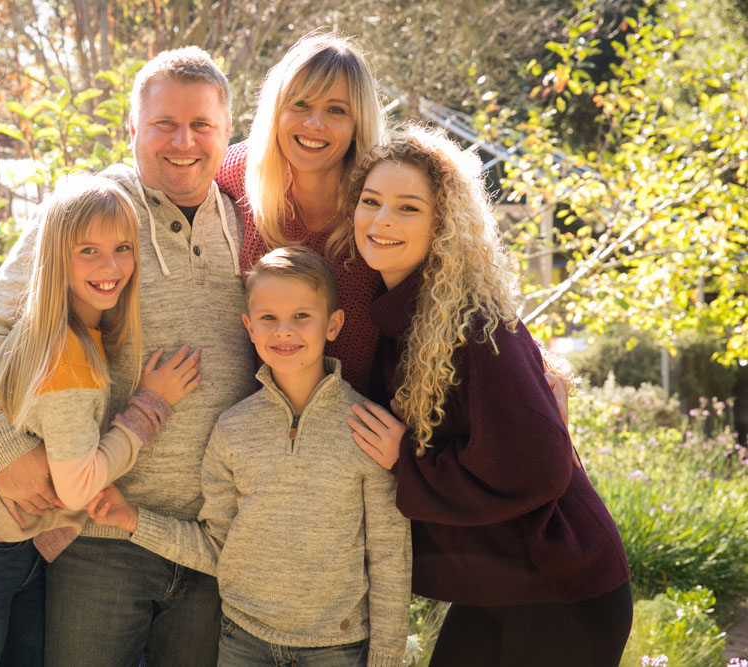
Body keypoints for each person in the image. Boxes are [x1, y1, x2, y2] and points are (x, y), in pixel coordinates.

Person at [0, 48, 257, 666]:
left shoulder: (252, 222)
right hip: (99, 534)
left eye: (202, 125)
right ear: (133, 130)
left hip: (210, 539)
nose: (183, 141)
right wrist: (6, 447)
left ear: (228, 134)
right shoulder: (91, 212)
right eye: (163, 124)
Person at [347, 125, 633, 666]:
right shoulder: (400, 320)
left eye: (407, 208)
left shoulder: (476, 327)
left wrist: (405, 462)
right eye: (371, 201)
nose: (381, 220)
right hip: (499, 587)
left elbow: (541, 465)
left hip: (563, 587)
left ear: (444, 224)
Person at [0, 174, 202, 666]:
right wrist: (148, 408)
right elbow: (77, 488)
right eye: (87, 251)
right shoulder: (67, 358)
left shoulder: (76, 335)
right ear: (54, 257)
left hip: (25, 551)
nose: (110, 266)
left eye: (122, 248)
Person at [87, 247, 411, 666]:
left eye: (301, 316)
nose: (284, 331)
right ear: (249, 328)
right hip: (243, 643)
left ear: (333, 325)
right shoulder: (232, 429)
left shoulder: (368, 430)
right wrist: (133, 519)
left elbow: (389, 558)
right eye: (268, 318)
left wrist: (384, 660)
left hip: (336, 648)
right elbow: (217, 545)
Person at [214, 31, 385, 394]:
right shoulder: (241, 170)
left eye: (336, 110)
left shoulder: (380, 203)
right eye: (301, 105)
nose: (314, 124)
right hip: (253, 424)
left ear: (358, 126)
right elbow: (169, 179)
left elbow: (453, 276)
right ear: (277, 111)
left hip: (353, 430)